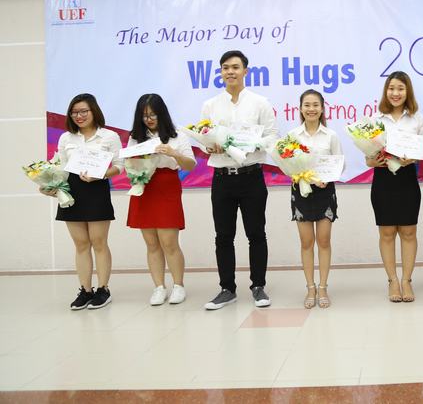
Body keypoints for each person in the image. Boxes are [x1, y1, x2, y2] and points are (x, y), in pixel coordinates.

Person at [201, 50, 279, 310]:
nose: (230, 72)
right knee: (223, 236)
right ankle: (227, 289)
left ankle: (258, 286)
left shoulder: (260, 103)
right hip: (222, 178)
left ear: (245, 71)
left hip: (251, 176)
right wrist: (208, 146)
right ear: (221, 72)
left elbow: (272, 136)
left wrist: (254, 144)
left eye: (235, 67)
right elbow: (204, 137)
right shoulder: (211, 105)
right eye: (225, 67)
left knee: (256, 233)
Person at [44, 93, 122, 310]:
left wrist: (101, 175)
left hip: (97, 189)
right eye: (74, 112)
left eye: (83, 111)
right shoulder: (66, 138)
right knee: (80, 244)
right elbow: (60, 167)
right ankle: (85, 290)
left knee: (99, 242)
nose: (79, 116)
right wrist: (50, 186)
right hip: (72, 192)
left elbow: (120, 166)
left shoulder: (109, 136)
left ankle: (103, 289)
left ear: (94, 111)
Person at [126, 94, 196, 306]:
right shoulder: (136, 137)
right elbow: (128, 163)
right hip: (144, 186)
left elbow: (190, 165)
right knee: (151, 243)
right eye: (144, 115)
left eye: (153, 115)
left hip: (166, 186)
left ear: (162, 113)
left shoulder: (177, 135)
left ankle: (178, 285)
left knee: (169, 242)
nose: (149, 119)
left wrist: (174, 154)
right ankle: (159, 287)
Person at [367, 71, 423, 302]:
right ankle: (392, 280)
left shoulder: (417, 119)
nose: (395, 93)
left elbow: (422, 151)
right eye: (391, 88)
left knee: (409, 232)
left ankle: (406, 280)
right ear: (386, 91)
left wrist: (413, 158)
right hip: (383, 179)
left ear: (407, 91)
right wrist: (372, 161)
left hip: (407, 178)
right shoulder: (375, 119)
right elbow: (368, 157)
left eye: (400, 88)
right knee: (387, 232)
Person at [289, 89, 343, 309]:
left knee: (324, 241)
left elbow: (339, 165)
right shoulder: (292, 136)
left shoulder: (331, 136)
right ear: (301, 108)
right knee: (306, 242)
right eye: (307, 105)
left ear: (322, 108)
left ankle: (323, 287)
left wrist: (326, 178)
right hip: (301, 192)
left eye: (315, 105)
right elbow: (288, 166)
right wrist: (302, 176)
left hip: (324, 192)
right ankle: (310, 287)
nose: (311, 109)